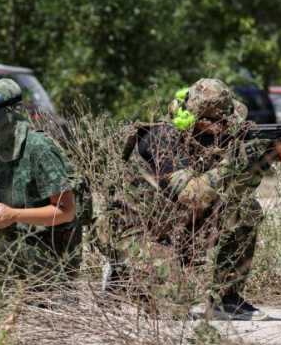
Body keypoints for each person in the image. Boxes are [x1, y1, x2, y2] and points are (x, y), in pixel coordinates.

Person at [115, 78, 271, 320]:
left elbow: (237, 192)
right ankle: (121, 276)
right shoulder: (160, 139)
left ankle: (226, 298)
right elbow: (193, 196)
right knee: (173, 310)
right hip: (136, 230)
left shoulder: (209, 140)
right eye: (221, 121)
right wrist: (233, 163)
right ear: (201, 121)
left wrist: (258, 162)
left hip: (175, 224)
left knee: (244, 208)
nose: (228, 126)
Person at [0, 77, 82, 283]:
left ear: (10, 111)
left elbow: (66, 211)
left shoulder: (38, 148)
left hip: (50, 256)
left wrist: (14, 215)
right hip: (8, 248)